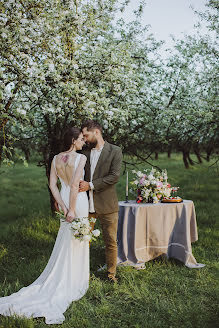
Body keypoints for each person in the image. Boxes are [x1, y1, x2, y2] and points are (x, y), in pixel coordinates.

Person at [0, 127, 89, 325]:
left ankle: (67, 275)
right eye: (81, 139)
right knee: (77, 239)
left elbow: (52, 185)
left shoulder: (56, 158)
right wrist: (72, 209)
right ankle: (74, 281)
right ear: (74, 140)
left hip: (65, 198)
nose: (84, 142)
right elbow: (75, 185)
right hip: (77, 201)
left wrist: (63, 206)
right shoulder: (80, 158)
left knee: (68, 238)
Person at [80, 120, 123, 283]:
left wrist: (90, 185)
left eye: (86, 135)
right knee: (83, 241)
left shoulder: (115, 151)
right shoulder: (84, 153)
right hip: (85, 205)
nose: (84, 139)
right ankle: (82, 274)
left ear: (96, 132)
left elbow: (114, 177)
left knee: (110, 241)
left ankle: (111, 275)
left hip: (107, 205)